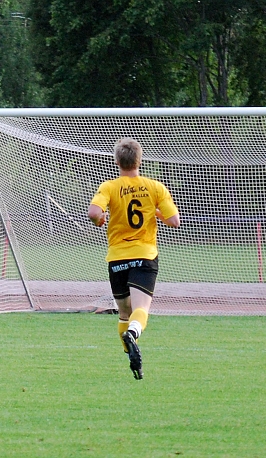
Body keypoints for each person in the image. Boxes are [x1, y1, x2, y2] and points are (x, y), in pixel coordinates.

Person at [87, 137, 180, 380]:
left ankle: (131, 357)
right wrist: (156, 212)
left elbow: (94, 212)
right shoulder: (155, 187)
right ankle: (133, 334)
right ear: (140, 160)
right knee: (140, 311)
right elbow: (174, 221)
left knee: (124, 313)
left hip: (117, 259)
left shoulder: (109, 187)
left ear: (117, 161)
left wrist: (100, 220)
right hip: (145, 256)